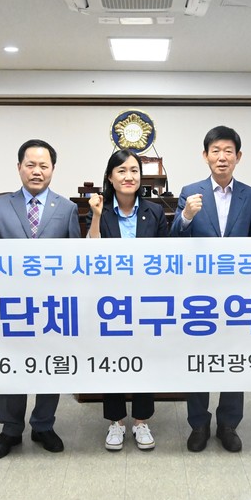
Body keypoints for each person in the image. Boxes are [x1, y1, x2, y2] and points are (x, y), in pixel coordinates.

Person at [0, 139, 80, 459]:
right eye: (31, 165)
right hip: (12, 305)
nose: (37, 171)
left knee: (50, 365)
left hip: (52, 305)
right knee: (11, 366)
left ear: (53, 169)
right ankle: (10, 429)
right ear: (19, 168)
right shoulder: (0, 205)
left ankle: (43, 425)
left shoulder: (66, 208)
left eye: (44, 166)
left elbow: (76, 259)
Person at [170, 125, 251, 452]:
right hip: (199, 295)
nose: (222, 157)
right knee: (199, 358)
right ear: (205, 156)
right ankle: (198, 424)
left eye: (228, 151)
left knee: (233, 359)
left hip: (237, 295)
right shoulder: (190, 192)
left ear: (238, 157)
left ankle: (228, 424)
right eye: (215, 151)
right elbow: (173, 241)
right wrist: (185, 216)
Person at [87, 149, 168, 451]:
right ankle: (116, 422)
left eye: (134, 170)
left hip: (145, 298)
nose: (129, 176)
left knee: (144, 357)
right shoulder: (100, 209)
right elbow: (90, 252)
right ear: (110, 177)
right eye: (121, 170)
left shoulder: (154, 212)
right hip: (110, 300)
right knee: (113, 358)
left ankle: (141, 421)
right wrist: (96, 217)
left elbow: (165, 256)